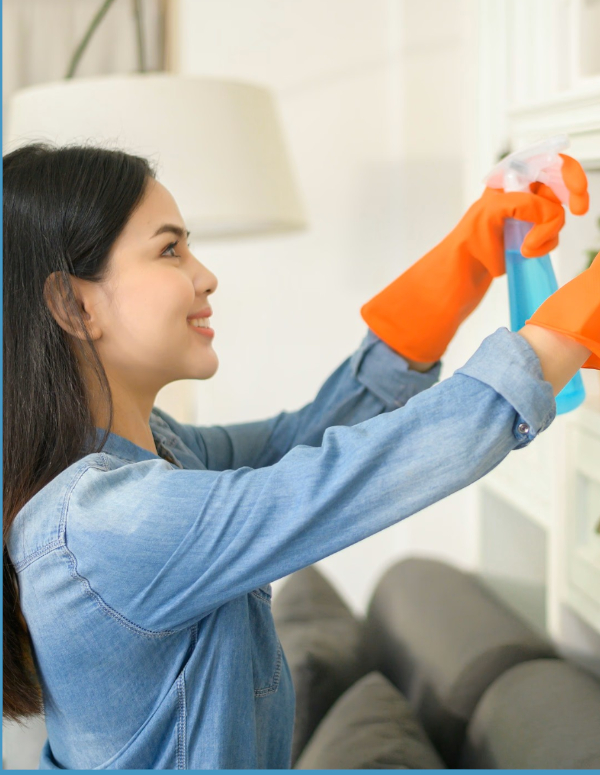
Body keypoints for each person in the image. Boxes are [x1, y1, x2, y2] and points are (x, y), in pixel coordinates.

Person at [3, 142, 597, 770]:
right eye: (169, 249)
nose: (205, 276)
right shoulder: (103, 524)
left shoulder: (162, 454)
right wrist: (553, 341)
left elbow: (310, 439)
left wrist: (466, 262)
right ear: (74, 305)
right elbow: (331, 483)